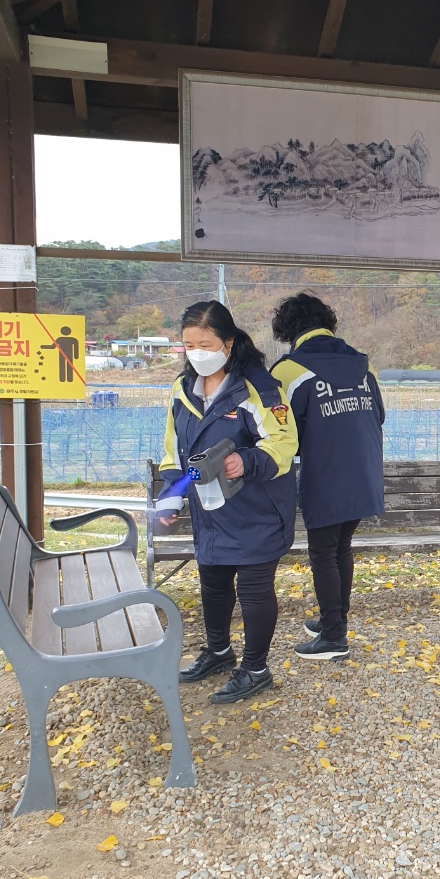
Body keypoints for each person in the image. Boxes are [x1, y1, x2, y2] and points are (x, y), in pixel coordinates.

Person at [156, 300, 298, 703]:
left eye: (205, 345)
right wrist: (171, 494)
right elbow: (174, 450)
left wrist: (246, 461)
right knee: (214, 584)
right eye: (189, 345)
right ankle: (218, 651)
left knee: (254, 590)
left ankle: (255, 668)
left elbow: (284, 442)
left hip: (257, 508)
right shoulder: (182, 390)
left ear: (228, 343)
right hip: (211, 509)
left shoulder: (259, 389)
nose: (197, 353)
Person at [270, 292, 385, 661]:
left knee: (323, 552)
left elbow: (279, 432)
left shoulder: (288, 371)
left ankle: (334, 636)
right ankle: (333, 621)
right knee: (340, 548)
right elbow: (379, 415)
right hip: (365, 473)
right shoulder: (364, 365)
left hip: (324, 474)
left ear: (288, 330)